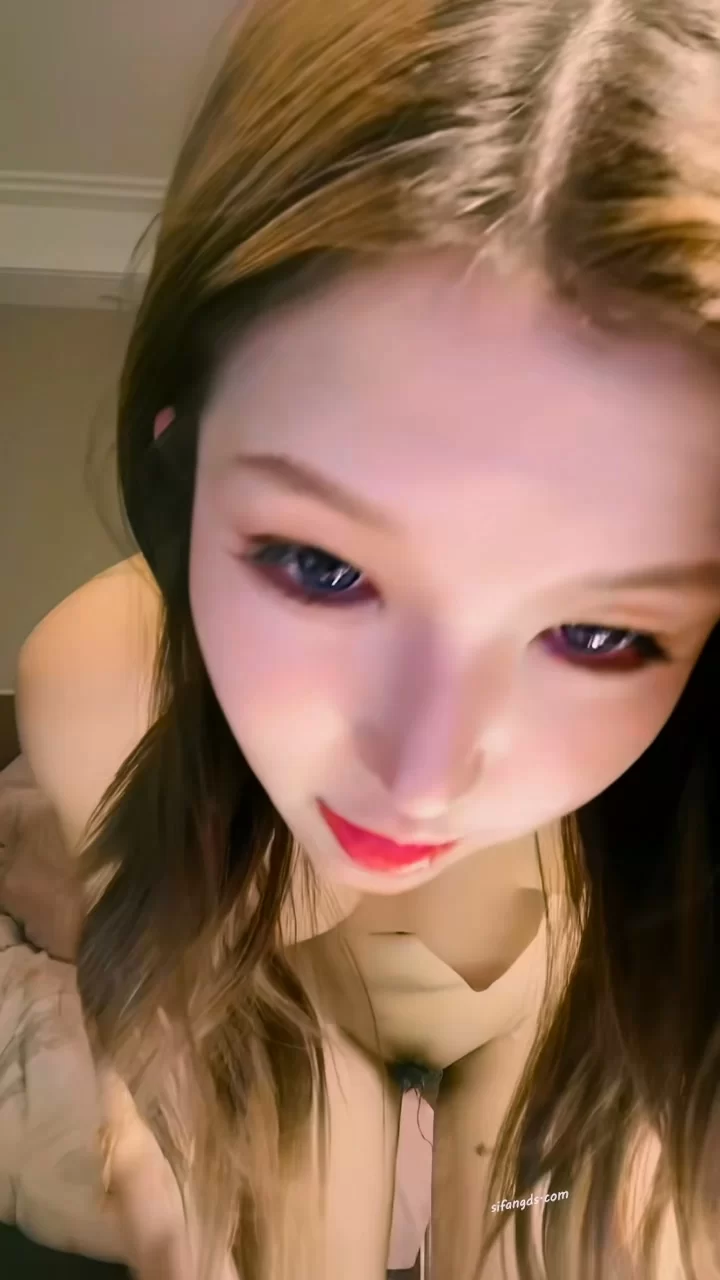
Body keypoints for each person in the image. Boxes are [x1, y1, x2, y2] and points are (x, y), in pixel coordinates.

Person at [8, 0, 720, 1275]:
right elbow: (165, 1016)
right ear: (182, 466)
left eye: (601, 632)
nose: (424, 774)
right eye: (322, 567)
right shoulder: (101, 675)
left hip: (556, 984)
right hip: (274, 978)